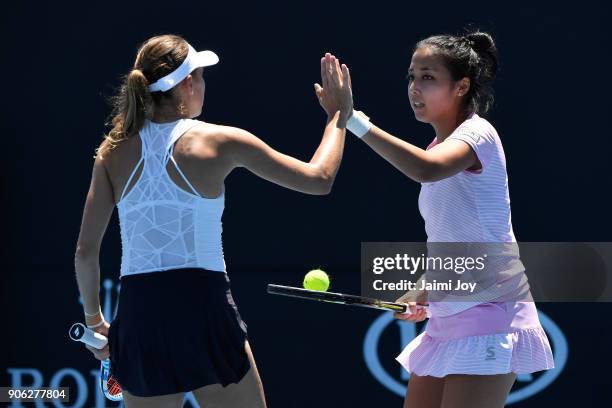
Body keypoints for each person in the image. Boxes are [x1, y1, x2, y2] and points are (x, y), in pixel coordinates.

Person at [74, 34, 351, 408]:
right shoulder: (219, 141)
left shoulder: (112, 152)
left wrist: (96, 325)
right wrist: (338, 116)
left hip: (140, 318)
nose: (204, 86)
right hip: (202, 309)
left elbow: (85, 253)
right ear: (188, 83)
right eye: (201, 77)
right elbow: (319, 180)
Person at [337, 31, 555, 407]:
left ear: (461, 86)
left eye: (428, 77)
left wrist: (353, 120)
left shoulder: (478, 135)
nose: (414, 88)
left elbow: (425, 170)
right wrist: (424, 288)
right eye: (411, 77)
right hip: (447, 320)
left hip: (490, 316)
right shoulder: (436, 146)